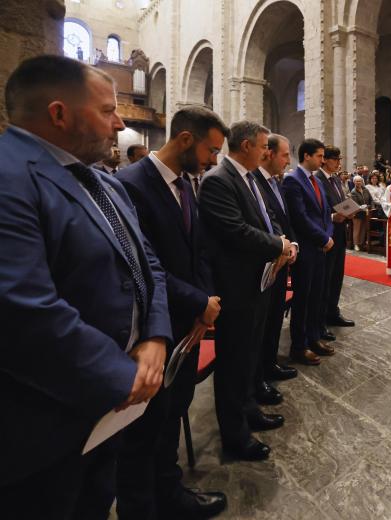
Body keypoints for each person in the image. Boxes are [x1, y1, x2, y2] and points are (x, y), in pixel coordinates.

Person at [0, 55, 171, 519]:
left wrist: (155, 336)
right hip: (47, 419)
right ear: (59, 114)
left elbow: (147, 261)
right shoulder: (11, 176)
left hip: (110, 409)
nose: (119, 123)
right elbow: (22, 309)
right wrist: (125, 377)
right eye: (106, 110)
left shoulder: (103, 183)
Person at [114, 106, 227, 518]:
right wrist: (198, 301)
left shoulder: (186, 182)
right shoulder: (130, 185)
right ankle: (142, 508)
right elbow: (146, 264)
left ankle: (170, 493)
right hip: (152, 331)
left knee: (171, 416)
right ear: (184, 140)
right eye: (210, 150)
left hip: (189, 325)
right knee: (142, 434)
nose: (214, 161)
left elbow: (199, 251)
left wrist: (207, 303)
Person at [199, 121, 290, 461]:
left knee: (249, 356)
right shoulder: (218, 181)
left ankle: (249, 409)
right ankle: (235, 436)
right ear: (248, 145)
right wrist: (278, 245)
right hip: (235, 286)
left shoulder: (249, 179)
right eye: (265, 146)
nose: (268, 152)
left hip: (258, 281)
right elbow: (236, 232)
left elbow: (268, 218)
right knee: (234, 362)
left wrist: (282, 242)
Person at [254, 133, 300, 405]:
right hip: (263, 264)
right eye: (285, 154)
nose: (287, 160)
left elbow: (279, 219)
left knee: (273, 320)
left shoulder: (273, 182)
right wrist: (279, 247)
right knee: (262, 324)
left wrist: (290, 243)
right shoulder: (255, 181)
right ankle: (258, 373)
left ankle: (270, 364)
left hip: (280, 259)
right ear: (268, 153)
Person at [284, 139, 334, 366]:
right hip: (306, 249)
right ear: (306, 156)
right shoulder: (293, 181)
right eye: (320, 156)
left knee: (317, 295)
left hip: (320, 247)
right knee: (303, 299)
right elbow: (300, 217)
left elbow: (325, 213)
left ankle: (314, 338)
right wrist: (323, 238)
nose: (323, 160)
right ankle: (299, 345)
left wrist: (328, 235)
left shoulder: (316, 180)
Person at [316, 145, 355, 342]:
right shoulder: (318, 179)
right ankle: (321, 319)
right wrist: (333, 216)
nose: (339, 163)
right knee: (326, 278)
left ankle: (333, 311)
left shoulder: (336, 179)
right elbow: (316, 210)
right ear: (325, 160)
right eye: (336, 159)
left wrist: (349, 210)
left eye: (340, 159)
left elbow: (341, 201)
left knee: (337, 275)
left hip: (340, 233)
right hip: (326, 234)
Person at [350, 175, 373, 250]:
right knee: (357, 229)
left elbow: (371, 199)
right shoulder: (353, 192)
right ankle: (356, 244)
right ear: (354, 182)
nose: (359, 182)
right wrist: (362, 207)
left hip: (366, 212)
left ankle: (361, 243)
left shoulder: (365, 189)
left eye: (360, 181)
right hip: (357, 212)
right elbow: (355, 203)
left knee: (363, 228)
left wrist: (371, 207)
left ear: (362, 182)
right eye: (357, 181)